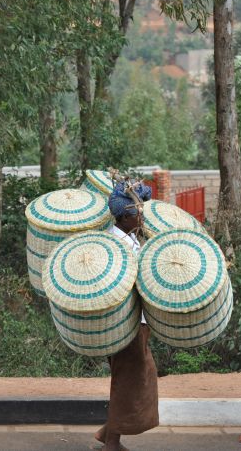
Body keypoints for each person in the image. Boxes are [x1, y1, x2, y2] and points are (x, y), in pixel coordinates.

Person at [94, 181, 159, 451]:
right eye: (136, 214)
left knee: (136, 377)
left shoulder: (130, 239)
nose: (141, 218)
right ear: (123, 217)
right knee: (130, 379)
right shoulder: (114, 245)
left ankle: (107, 434)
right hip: (124, 323)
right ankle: (111, 441)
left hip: (135, 322)